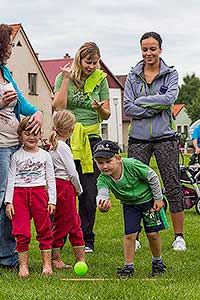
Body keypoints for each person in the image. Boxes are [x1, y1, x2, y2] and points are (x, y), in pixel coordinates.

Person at [123, 32, 186, 251]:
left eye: (152, 49)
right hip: (138, 139)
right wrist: (154, 108)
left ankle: (179, 237)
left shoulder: (171, 74)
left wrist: (142, 101)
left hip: (165, 138)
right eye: (144, 49)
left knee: (172, 183)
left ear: (160, 49)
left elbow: (170, 99)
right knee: (136, 186)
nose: (148, 53)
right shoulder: (133, 76)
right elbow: (127, 107)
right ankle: (136, 234)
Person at [53, 42, 111, 253]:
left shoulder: (100, 79)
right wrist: (67, 80)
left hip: (91, 139)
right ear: (79, 59)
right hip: (66, 138)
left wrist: (99, 109)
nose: (92, 66)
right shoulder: (64, 77)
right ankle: (58, 237)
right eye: (88, 62)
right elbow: (58, 106)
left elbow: (107, 114)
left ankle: (87, 238)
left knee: (88, 191)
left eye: (95, 62)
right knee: (64, 189)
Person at [0, 23, 43, 269]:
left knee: (12, 199)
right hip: (0, 148)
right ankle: (6, 258)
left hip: (14, 144)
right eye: (7, 43)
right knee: (4, 200)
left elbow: (24, 105)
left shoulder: (5, 73)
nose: (10, 48)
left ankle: (8, 253)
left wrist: (36, 113)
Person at [93, 140, 168, 278]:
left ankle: (157, 262)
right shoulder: (103, 179)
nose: (104, 166)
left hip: (148, 202)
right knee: (129, 235)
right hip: (130, 206)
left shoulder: (132, 165)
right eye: (100, 162)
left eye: (108, 161)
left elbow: (151, 176)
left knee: (152, 234)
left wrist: (158, 198)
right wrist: (103, 204)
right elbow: (102, 194)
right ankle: (128, 267)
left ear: (118, 159)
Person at [5, 116, 56, 277]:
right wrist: (8, 202)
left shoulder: (45, 156)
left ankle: (47, 265)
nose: (31, 137)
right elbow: (10, 179)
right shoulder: (16, 156)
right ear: (20, 136)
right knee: (22, 231)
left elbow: (51, 178)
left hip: (39, 194)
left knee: (44, 229)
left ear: (41, 135)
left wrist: (52, 200)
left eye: (35, 133)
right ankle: (23, 266)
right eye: (27, 133)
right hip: (19, 196)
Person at [49, 110, 85, 268]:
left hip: (59, 186)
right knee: (64, 222)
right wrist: (79, 189)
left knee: (74, 221)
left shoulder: (53, 145)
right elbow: (72, 172)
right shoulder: (62, 147)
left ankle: (80, 258)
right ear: (71, 129)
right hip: (64, 187)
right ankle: (55, 258)